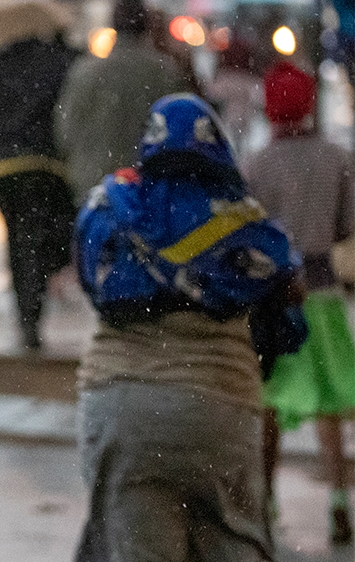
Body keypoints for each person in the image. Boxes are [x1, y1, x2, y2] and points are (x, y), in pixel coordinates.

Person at [72, 93, 301, 561]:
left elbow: (91, 280)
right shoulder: (241, 220)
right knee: (232, 544)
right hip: (219, 409)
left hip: (122, 407)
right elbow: (286, 304)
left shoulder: (108, 207)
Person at [241, 60, 355, 545]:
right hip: (324, 292)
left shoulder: (257, 163)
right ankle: (338, 502)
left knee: (271, 401)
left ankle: (266, 502)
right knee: (329, 404)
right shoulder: (338, 158)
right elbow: (346, 227)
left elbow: (248, 229)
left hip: (277, 297)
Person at [0, 31, 79, 350]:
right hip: (49, 167)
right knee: (45, 237)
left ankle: (27, 317)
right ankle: (35, 305)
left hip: (3, 168)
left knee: (18, 238)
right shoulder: (66, 60)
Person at [54, 0, 191, 205]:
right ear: (146, 26)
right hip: (146, 189)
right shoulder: (163, 72)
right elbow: (181, 129)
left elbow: (64, 131)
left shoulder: (85, 71)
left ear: (113, 25)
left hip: (91, 186)